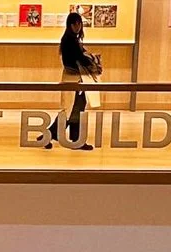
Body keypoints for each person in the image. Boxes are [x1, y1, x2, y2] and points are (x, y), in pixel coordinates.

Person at [43, 12, 98, 150]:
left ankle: (62, 137)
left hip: (75, 78)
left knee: (74, 110)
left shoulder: (72, 39)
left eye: (79, 23)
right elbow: (80, 58)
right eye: (75, 24)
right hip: (74, 79)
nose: (77, 26)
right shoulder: (70, 40)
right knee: (73, 110)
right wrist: (93, 62)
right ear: (70, 25)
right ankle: (56, 136)